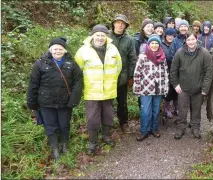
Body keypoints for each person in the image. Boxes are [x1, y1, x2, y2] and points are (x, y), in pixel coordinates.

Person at [27, 37, 83, 160]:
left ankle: (64, 145)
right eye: (55, 49)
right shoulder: (40, 63)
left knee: (64, 125)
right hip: (46, 102)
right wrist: (31, 103)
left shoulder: (72, 63)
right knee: (50, 125)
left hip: (65, 102)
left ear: (65, 50)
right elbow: (33, 84)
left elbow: (78, 82)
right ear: (50, 50)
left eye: (61, 49)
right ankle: (55, 148)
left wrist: (73, 100)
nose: (58, 51)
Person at [75, 24, 122, 154]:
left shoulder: (113, 49)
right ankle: (93, 142)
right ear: (92, 35)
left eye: (103, 35)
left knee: (108, 114)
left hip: (109, 90)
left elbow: (118, 67)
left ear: (106, 36)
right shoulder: (83, 51)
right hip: (92, 91)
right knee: (92, 117)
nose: (100, 38)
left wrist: (111, 80)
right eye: (98, 35)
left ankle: (106, 136)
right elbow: (77, 71)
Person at [170, 32, 213, 139]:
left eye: (192, 39)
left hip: (198, 89)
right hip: (183, 89)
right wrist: (175, 85)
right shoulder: (179, 53)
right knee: (182, 110)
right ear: (185, 41)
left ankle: (195, 128)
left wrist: (205, 88)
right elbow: (173, 70)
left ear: (196, 39)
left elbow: (209, 72)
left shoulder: (204, 53)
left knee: (196, 110)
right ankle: (181, 128)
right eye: (188, 40)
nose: (191, 42)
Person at [133, 34, 169, 141]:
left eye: (156, 43)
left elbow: (166, 73)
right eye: (152, 43)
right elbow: (137, 73)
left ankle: (154, 128)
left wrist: (166, 87)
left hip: (158, 89)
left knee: (156, 110)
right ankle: (144, 130)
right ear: (149, 45)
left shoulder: (162, 57)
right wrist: (137, 88)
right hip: (145, 89)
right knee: (145, 111)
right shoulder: (143, 56)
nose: (154, 45)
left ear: (159, 44)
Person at [108, 14, 137, 133]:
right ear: (114, 23)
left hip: (123, 76)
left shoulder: (129, 39)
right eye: (118, 22)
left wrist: (131, 76)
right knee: (107, 103)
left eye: (122, 23)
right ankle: (107, 125)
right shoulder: (106, 36)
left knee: (122, 102)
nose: (120, 25)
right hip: (107, 76)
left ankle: (123, 122)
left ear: (125, 26)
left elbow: (132, 58)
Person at [161, 28, 177, 119]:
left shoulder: (175, 44)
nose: (170, 37)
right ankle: (166, 109)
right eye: (168, 35)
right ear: (165, 36)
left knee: (176, 90)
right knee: (168, 91)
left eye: (172, 35)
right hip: (166, 71)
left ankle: (176, 107)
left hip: (175, 70)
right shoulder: (162, 45)